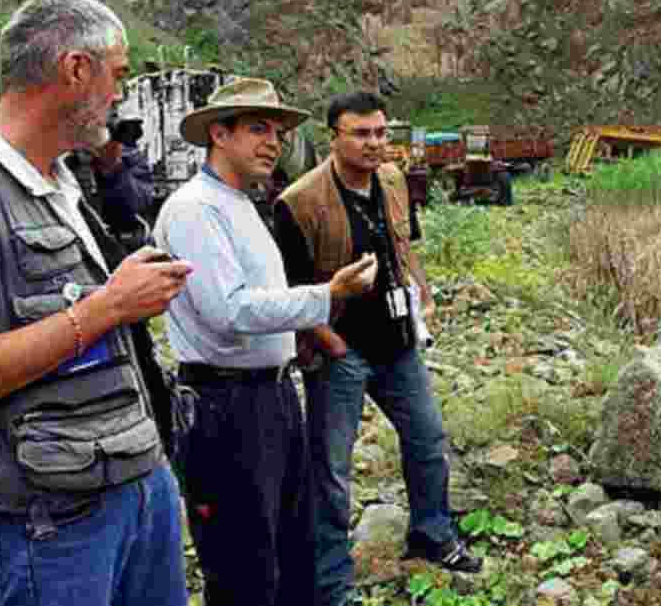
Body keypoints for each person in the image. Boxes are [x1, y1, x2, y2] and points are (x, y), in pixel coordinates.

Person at [0, 0, 195, 606]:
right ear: (75, 70)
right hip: (49, 526)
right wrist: (108, 307)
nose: (121, 95)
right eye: (117, 74)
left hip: (138, 484)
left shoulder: (63, 182)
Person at [152, 77, 377, 606]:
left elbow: (259, 299)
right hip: (225, 405)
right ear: (219, 134)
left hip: (270, 396)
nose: (273, 142)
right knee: (243, 564)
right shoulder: (194, 209)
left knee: (289, 546)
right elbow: (230, 310)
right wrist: (326, 296)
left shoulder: (239, 204)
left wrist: (299, 335)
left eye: (276, 131)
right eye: (257, 129)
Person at [273, 91, 482, 606]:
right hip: (342, 352)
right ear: (334, 137)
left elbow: (403, 247)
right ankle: (333, 585)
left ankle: (433, 536)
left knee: (428, 441)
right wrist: (331, 343)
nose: (374, 144)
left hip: (398, 343)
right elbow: (291, 289)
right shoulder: (299, 202)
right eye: (361, 134)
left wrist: (422, 300)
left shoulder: (392, 180)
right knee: (331, 472)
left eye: (380, 133)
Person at [65, 114, 155, 248]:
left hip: (121, 240)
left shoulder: (128, 157)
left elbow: (140, 201)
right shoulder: (70, 163)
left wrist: (114, 167)